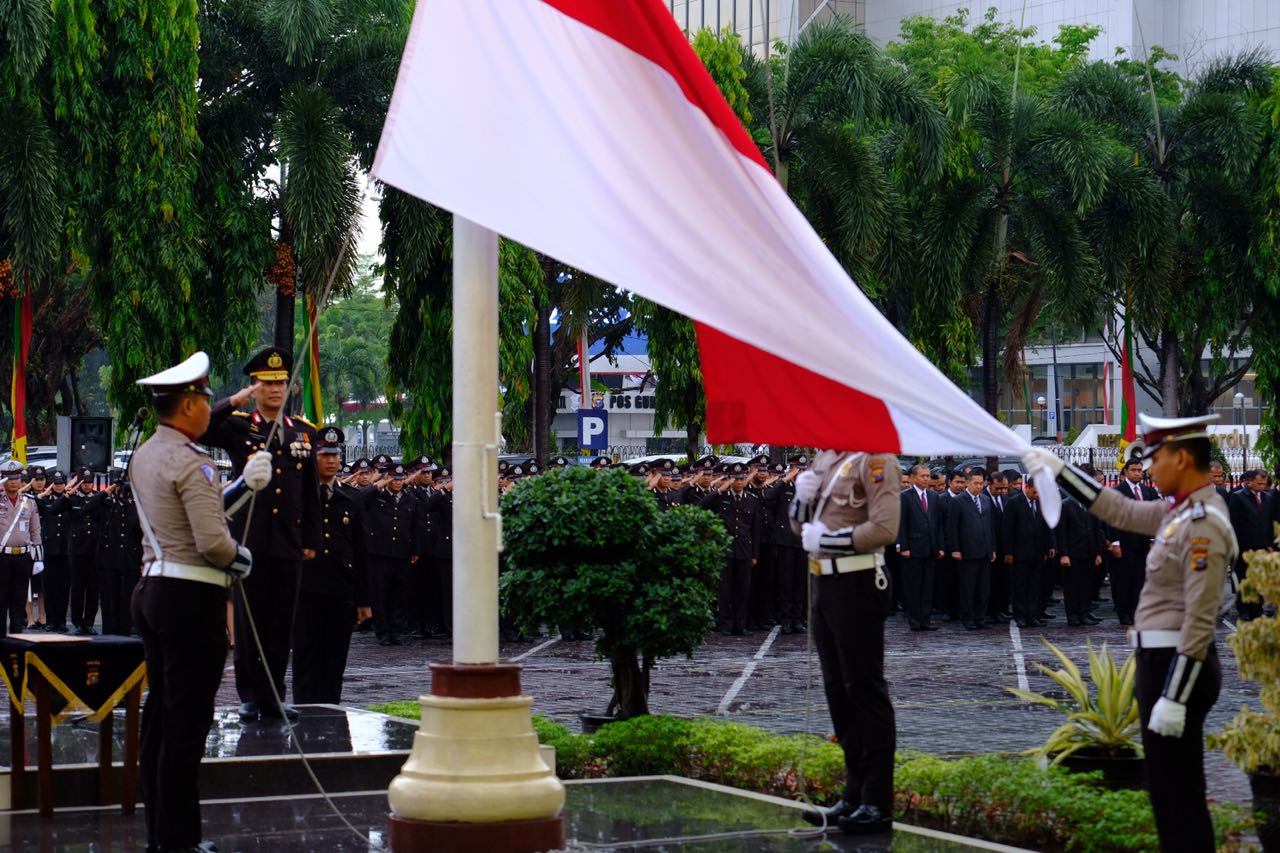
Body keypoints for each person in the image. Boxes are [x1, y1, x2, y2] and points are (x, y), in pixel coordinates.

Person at [1025, 414, 1237, 852]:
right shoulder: (1179, 510)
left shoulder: (1202, 522)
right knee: (1166, 790)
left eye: (1154, 458)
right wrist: (1061, 470)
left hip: (1179, 666)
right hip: (1160, 661)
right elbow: (1118, 509)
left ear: (1181, 458)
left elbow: (1199, 619)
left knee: (1178, 791)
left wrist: (1175, 697)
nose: (1149, 468)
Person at [129, 352, 268, 853]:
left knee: (161, 719)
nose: (211, 409)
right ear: (189, 405)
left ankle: (160, 834)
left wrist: (243, 487)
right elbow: (213, 543)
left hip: (153, 589)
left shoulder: (146, 454)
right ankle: (180, 841)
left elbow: (187, 520)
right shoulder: (195, 463)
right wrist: (243, 559)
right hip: (191, 598)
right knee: (187, 724)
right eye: (206, 400)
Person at [200, 346, 321, 722]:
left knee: (280, 623)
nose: (275, 390)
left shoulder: (302, 432)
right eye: (267, 384)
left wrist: (311, 540)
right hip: (249, 538)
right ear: (255, 387)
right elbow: (203, 425)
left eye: (281, 383)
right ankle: (249, 695)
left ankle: (274, 695)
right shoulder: (239, 425)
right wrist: (235, 398)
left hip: (288, 542)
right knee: (250, 623)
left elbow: (310, 492)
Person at [793, 449, 901, 835]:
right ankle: (853, 793)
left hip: (859, 581)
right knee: (837, 690)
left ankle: (877, 799)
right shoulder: (825, 459)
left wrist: (833, 540)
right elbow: (801, 530)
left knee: (864, 688)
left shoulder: (876, 459)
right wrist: (799, 501)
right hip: (824, 583)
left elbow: (885, 528)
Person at [293, 427, 369, 703]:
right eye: (324, 454)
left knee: (334, 662)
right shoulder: (299, 496)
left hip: (341, 592)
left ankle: (331, 716)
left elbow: (360, 550)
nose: (331, 461)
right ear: (313, 457)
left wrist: (364, 600)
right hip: (306, 591)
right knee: (306, 660)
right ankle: (305, 717)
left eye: (335, 455)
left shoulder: (350, 499)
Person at [698, 461, 763, 636]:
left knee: (743, 590)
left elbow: (756, 530)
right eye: (735, 479)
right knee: (724, 590)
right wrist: (719, 490)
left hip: (744, 551)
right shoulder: (720, 497)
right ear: (730, 480)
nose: (739, 482)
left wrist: (755, 554)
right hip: (725, 550)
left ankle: (740, 624)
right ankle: (726, 624)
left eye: (741, 479)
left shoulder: (752, 500)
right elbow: (701, 506)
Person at [947, 467, 997, 630]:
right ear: (968, 483)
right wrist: (955, 549)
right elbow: (952, 527)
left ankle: (980, 617)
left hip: (985, 552)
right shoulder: (958, 501)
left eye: (981, 483)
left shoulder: (986, 500)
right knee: (968, 588)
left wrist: (992, 549)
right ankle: (968, 617)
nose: (979, 486)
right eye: (975, 483)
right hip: (967, 552)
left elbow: (990, 526)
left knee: (984, 589)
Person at [1112, 457, 1159, 626]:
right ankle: (1123, 612)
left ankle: (1136, 611)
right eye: (1133, 470)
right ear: (1125, 472)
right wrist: (1115, 542)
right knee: (1124, 579)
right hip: (1125, 543)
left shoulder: (1148, 492)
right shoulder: (1117, 491)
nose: (1137, 473)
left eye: (1139, 470)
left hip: (1144, 543)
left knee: (1141, 579)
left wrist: (1153, 538)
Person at [1002, 481, 1055, 628]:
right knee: (1020, 586)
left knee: (1035, 586)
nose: (1037, 495)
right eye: (1035, 492)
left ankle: (1033, 615)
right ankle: (1020, 616)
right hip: (1020, 553)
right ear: (1028, 488)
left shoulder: (1040, 503)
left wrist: (1049, 546)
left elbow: (1046, 526)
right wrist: (1009, 552)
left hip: (1037, 552)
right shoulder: (1014, 503)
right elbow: (1007, 529)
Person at [897, 463, 942, 631]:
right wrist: (903, 546)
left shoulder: (934, 497)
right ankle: (914, 620)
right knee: (913, 586)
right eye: (923, 476)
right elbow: (901, 524)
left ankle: (925, 619)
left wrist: (940, 546)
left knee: (927, 586)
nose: (926, 479)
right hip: (913, 549)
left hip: (930, 548)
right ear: (913, 478)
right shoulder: (905, 497)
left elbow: (938, 524)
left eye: (927, 476)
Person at [0, 461, 42, 635]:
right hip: (2, 557)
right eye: (10, 479)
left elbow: (35, 529)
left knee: (19, 599)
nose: (14, 482)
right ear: (3, 481)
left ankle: (17, 637)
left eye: (17, 478)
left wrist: (39, 557)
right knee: (1, 599)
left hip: (23, 557)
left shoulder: (29, 502)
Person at [1228, 469, 1274, 621]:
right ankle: (1244, 609)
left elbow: (1268, 523)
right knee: (1245, 579)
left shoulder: (1267, 498)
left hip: (1261, 546)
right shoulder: (1238, 497)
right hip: (1244, 547)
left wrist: (1269, 544)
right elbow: (1233, 524)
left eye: (1264, 483)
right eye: (1259, 483)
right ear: (1250, 482)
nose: (1262, 486)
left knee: (1259, 579)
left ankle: (1258, 608)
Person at [35, 470, 72, 632]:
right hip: (49, 548)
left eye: (61, 483)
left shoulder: (70, 499)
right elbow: (35, 505)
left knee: (63, 587)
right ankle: (50, 621)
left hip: (65, 549)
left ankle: (61, 621)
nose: (58, 486)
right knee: (49, 587)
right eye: (55, 484)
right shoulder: (44, 500)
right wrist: (43, 495)